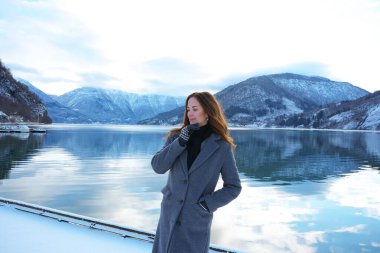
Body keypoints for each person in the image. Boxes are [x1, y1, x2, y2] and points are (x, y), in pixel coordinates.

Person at [151, 91, 242, 253]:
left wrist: (207, 205)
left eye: (195, 109)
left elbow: (233, 186)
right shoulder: (176, 137)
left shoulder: (221, 145)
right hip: (169, 215)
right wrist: (180, 143)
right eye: (188, 109)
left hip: (195, 220)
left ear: (207, 111)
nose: (190, 114)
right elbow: (158, 167)